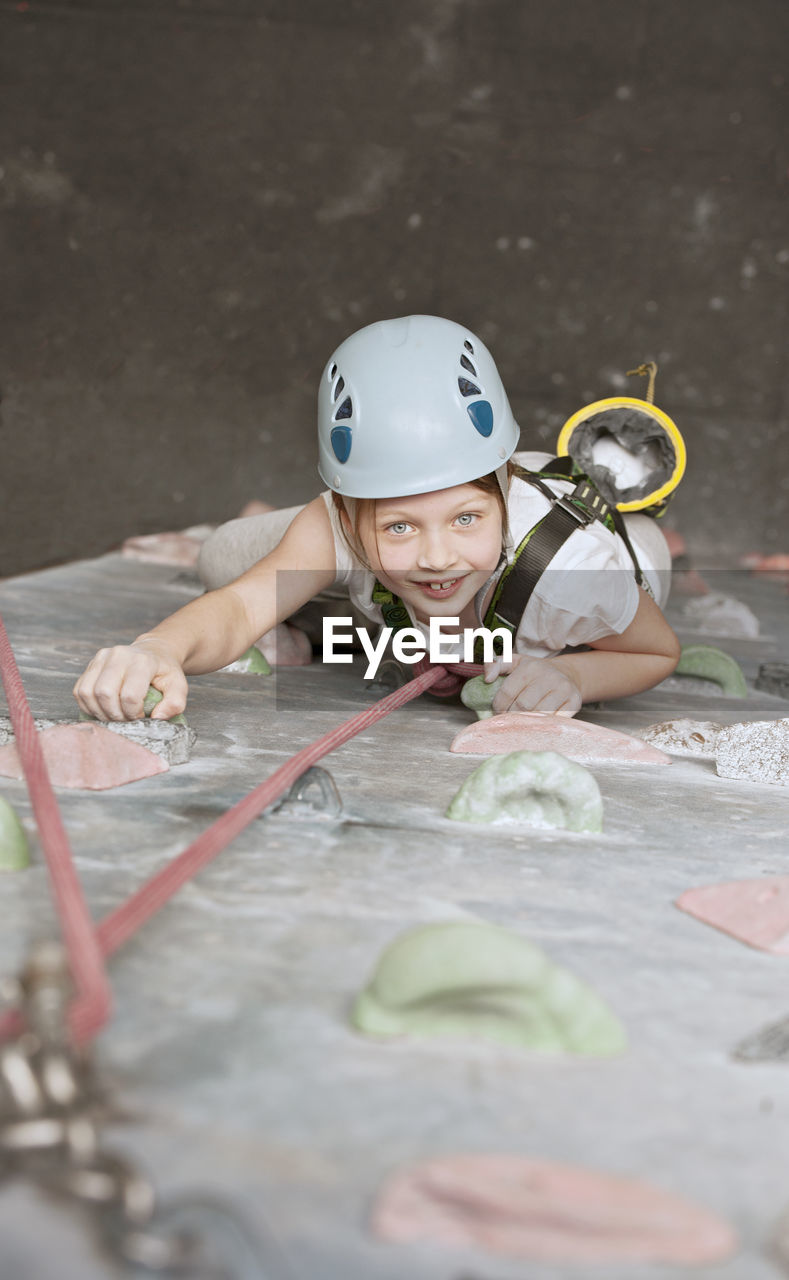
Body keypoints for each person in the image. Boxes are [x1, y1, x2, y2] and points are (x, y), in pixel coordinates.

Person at [73, 315, 681, 724]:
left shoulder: (575, 569)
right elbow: (238, 605)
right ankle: (345, 584)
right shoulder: (342, 518)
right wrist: (156, 648)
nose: (437, 555)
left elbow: (656, 653)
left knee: (645, 562)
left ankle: (378, 597)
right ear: (344, 508)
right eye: (399, 526)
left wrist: (574, 673)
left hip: (584, 560)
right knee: (223, 557)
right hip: (420, 576)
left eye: (466, 518)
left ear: (505, 485)